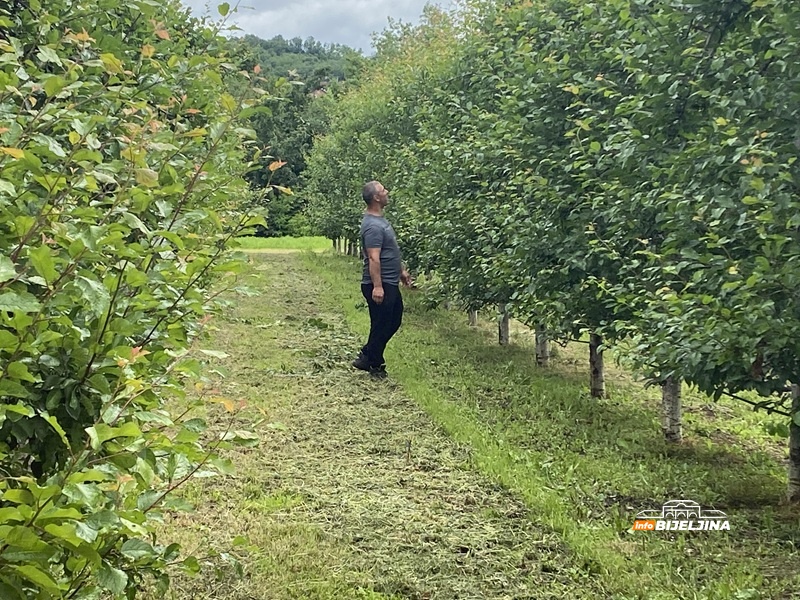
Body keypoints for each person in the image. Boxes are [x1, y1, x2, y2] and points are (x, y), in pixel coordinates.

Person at [352, 180, 411, 377]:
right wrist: (377, 286)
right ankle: (373, 363)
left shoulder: (380, 221)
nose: (387, 192)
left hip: (389, 281)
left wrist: (401, 271)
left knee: (392, 321)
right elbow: (373, 257)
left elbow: (390, 251)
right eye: (383, 190)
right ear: (376, 197)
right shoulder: (373, 226)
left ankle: (368, 356)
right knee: (382, 324)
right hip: (379, 283)